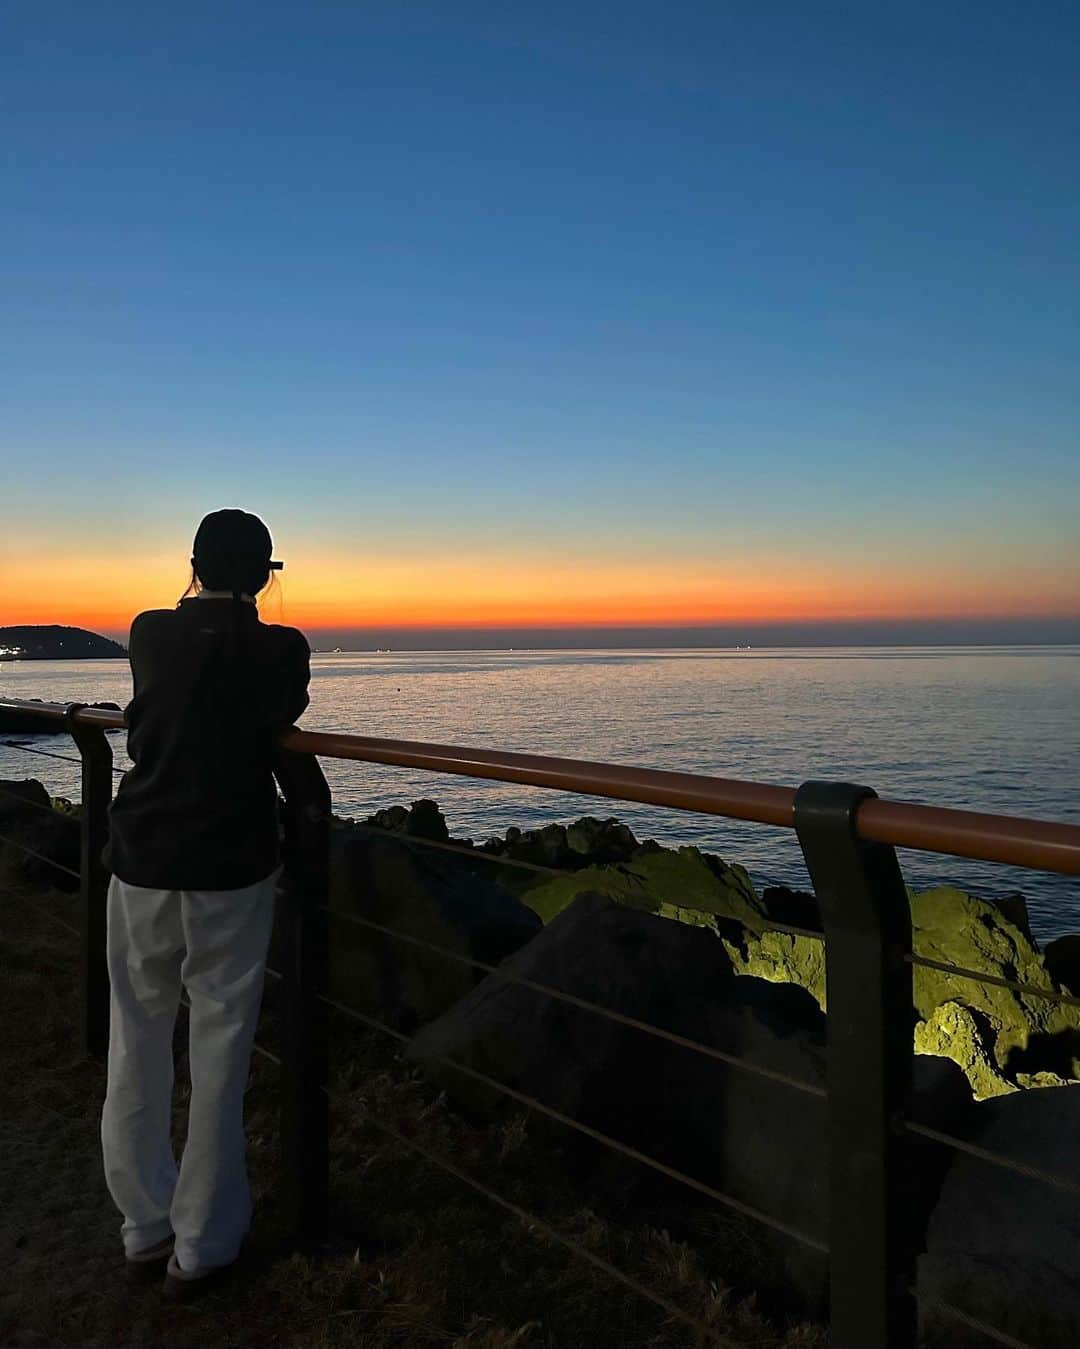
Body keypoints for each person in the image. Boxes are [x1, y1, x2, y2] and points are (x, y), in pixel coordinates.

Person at [100, 508, 310, 1299]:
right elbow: (278, 712)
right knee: (220, 1049)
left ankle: (144, 1223)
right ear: (263, 575)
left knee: (137, 1036)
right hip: (231, 862)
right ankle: (203, 1243)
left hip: (142, 855)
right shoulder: (281, 646)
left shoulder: (149, 631)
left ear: (191, 563)